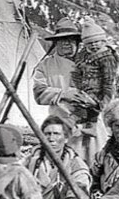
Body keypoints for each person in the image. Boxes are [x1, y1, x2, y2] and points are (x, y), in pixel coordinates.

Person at [23, 115, 90, 199]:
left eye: (56, 134)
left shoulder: (76, 165)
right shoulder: (31, 160)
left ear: (66, 138)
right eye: (47, 134)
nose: (51, 138)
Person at [70, 20, 119, 162]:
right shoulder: (84, 55)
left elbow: (108, 80)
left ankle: (91, 129)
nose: (93, 46)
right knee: (79, 107)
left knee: (93, 110)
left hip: (99, 91)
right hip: (85, 88)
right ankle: (79, 128)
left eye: (96, 42)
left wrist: (104, 100)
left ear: (103, 41)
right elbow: (77, 69)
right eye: (89, 43)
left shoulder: (107, 58)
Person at [32, 17, 83, 149]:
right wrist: (63, 94)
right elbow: (39, 93)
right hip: (59, 125)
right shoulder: (46, 65)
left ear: (77, 42)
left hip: (88, 126)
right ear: (56, 43)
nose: (66, 43)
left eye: (70, 40)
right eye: (62, 40)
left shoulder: (89, 63)